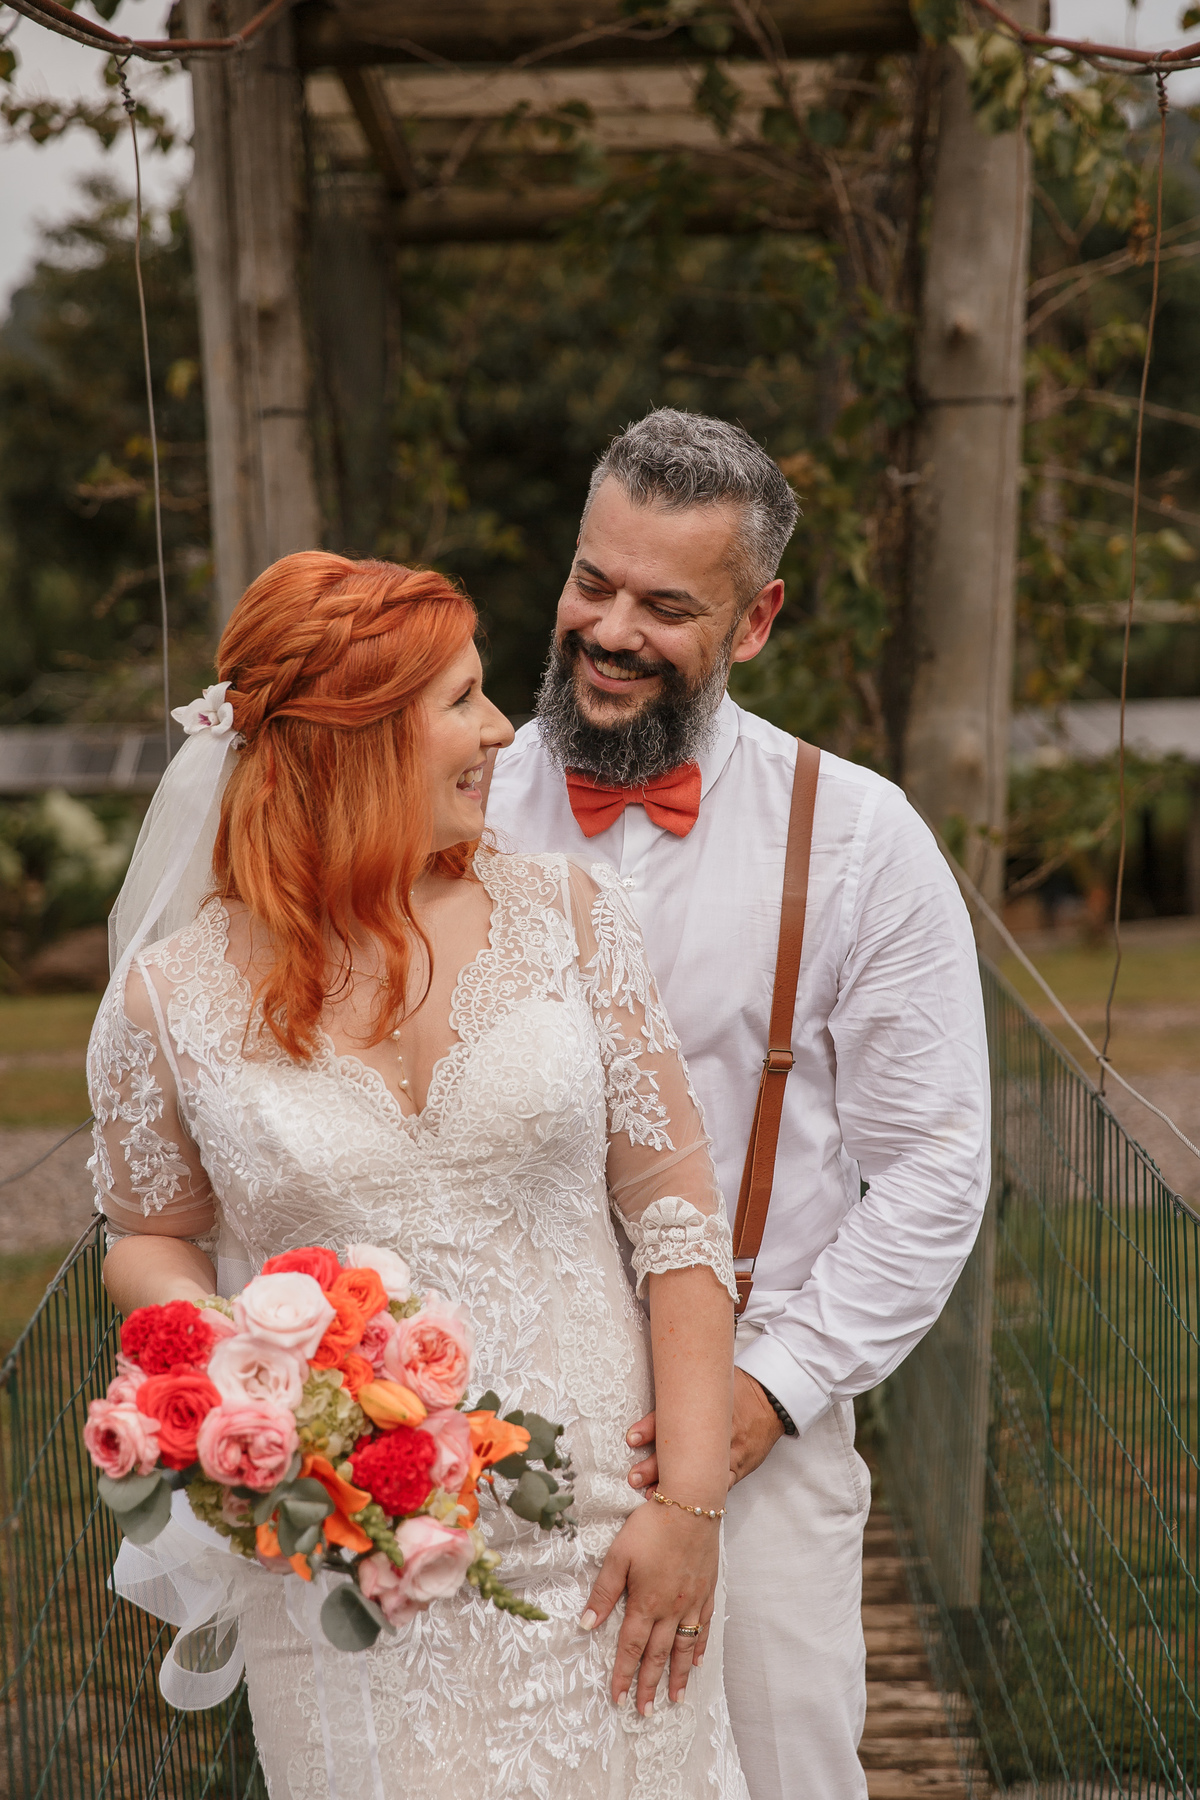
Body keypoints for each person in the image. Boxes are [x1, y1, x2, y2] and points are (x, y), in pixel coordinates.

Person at [87, 551, 750, 1799]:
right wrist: (257, 1370)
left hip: (605, 1540)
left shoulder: (572, 916)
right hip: (350, 1561)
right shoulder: (168, 999)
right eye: (462, 701)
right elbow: (146, 1234)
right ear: (353, 742)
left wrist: (693, 1509)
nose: (505, 731)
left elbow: (678, 1216)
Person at [485, 408, 992, 1800]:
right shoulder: (450, 807)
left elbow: (938, 1164)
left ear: (756, 619)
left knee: (782, 1777)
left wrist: (771, 1392)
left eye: (667, 605)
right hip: (485, 1430)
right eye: (594, 581)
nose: (610, 629)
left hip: (761, 1440)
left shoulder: (862, 839)